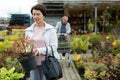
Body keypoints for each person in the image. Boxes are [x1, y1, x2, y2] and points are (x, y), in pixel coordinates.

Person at [25, 3, 60, 80]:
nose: (35, 17)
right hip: (33, 64)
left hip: (47, 63)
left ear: (43, 15)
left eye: (38, 14)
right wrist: (26, 50)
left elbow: (54, 47)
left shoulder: (51, 29)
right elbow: (27, 46)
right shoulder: (28, 30)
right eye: (33, 14)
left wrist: (39, 51)